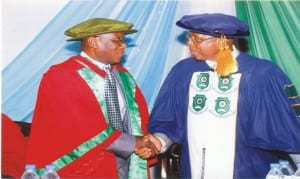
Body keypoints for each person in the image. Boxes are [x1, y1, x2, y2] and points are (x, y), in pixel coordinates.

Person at [147, 13, 300, 178]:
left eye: (196, 39)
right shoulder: (183, 72)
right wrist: (159, 140)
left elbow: (288, 130)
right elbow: (169, 121)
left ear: (223, 41)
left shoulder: (262, 74)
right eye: (189, 37)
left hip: (249, 171)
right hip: (192, 170)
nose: (190, 44)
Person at [26, 18, 158, 178]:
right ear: (94, 41)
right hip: (85, 167)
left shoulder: (123, 76)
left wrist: (146, 144)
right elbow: (81, 126)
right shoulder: (62, 76)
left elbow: (138, 119)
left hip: (126, 163)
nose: (124, 45)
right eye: (118, 40)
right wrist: (133, 143)